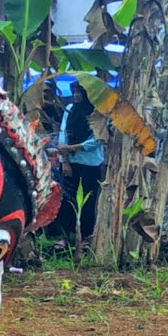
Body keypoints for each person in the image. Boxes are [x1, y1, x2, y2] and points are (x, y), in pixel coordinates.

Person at [56, 82, 105, 240]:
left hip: (91, 163)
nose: (76, 95)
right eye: (74, 91)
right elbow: (63, 134)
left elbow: (98, 139)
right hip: (71, 162)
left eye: (80, 92)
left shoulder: (98, 111)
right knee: (67, 200)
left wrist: (73, 147)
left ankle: (84, 237)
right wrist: (64, 160)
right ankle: (65, 236)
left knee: (88, 202)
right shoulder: (70, 109)